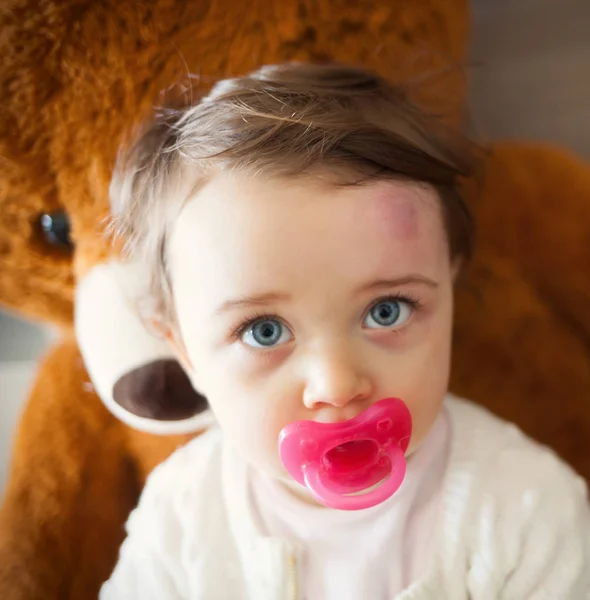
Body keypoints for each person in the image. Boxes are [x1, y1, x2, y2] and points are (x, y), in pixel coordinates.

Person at [100, 62, 590, 599]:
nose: (336, 384)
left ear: (449, 287)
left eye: (387, 311)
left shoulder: (524, 509)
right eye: (264, 330)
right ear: (186, 352)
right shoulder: (182, 516)